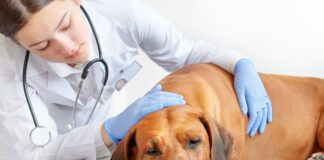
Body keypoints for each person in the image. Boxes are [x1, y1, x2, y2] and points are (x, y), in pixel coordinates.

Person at [0, 0, 272, 159]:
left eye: (66, 25)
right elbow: (36, 152)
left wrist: (240, 63)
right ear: (18, 43)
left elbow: (184, 53)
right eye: (42, 45)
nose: (66, 46)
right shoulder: (7, 65)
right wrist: (109, 130)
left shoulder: (124, 13)